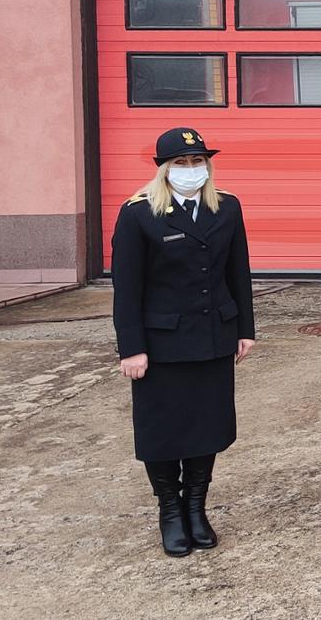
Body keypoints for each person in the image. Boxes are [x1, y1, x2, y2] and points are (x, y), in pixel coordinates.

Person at [110, 127, 255, 557]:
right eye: (181, 164)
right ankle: (170, 510)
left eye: (198, 163)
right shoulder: (138, 214)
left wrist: (245, 329)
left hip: (213, 337)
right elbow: (127, 287)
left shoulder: (226, 207)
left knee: (205, 427)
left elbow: (238, 272)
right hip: (162, 344)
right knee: (163, 431)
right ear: (164, 169)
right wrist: (130, 347)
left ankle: (196, 506)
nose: (191, 170)